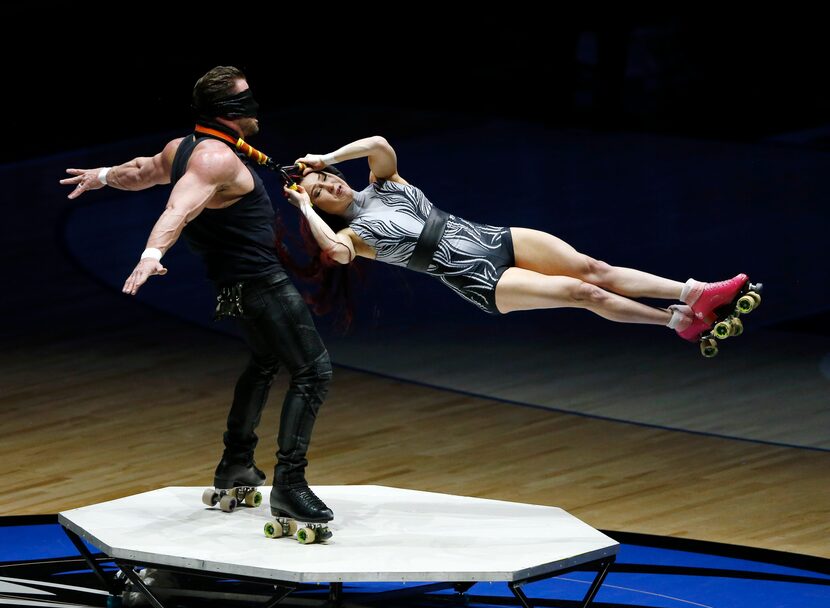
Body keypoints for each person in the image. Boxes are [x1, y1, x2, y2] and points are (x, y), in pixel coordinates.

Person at [59, 66, 333, 523]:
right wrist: (151, 253)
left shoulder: (183, 149)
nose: (256, 106)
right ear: (229, 112)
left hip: (234, 286)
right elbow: (177, 208)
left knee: (265, 361)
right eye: (247, 100)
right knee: (313, 371)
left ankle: (235, 465)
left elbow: (143, 171)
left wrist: (104, 174)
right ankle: (290, 484)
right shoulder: (213, 160)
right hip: (259, 283)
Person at [283, 136, 755, 349]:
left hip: (493, 237)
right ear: (321, 207)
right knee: (583, 294)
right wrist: (303, 205)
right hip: (477, 278)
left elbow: (379, 143)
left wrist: (324, 155)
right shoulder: (351, 235)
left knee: (594, 268)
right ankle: (676, 323)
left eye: (327, 179)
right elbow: (335, 253)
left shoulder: (383, 183)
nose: (330, 187)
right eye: (321, 192)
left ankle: (694, 293)